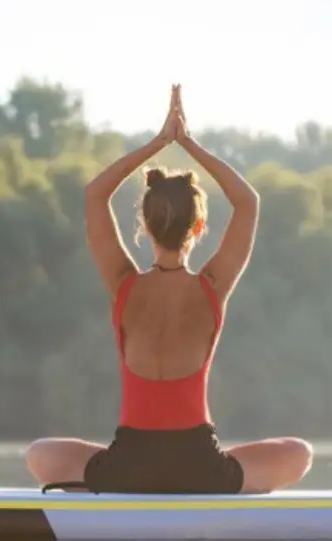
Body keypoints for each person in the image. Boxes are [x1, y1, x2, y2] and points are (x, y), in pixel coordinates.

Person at [25, 86, 313, 494]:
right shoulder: (212, 287)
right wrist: (189, 145)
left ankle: (101, 489)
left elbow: (94, 195)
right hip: (201, 470)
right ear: (198, 227)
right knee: (299, 453)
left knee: (40, 454)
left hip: (126, 468)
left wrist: (158, 144)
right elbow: (248, 202)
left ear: (143, 224)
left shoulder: (124, 285)